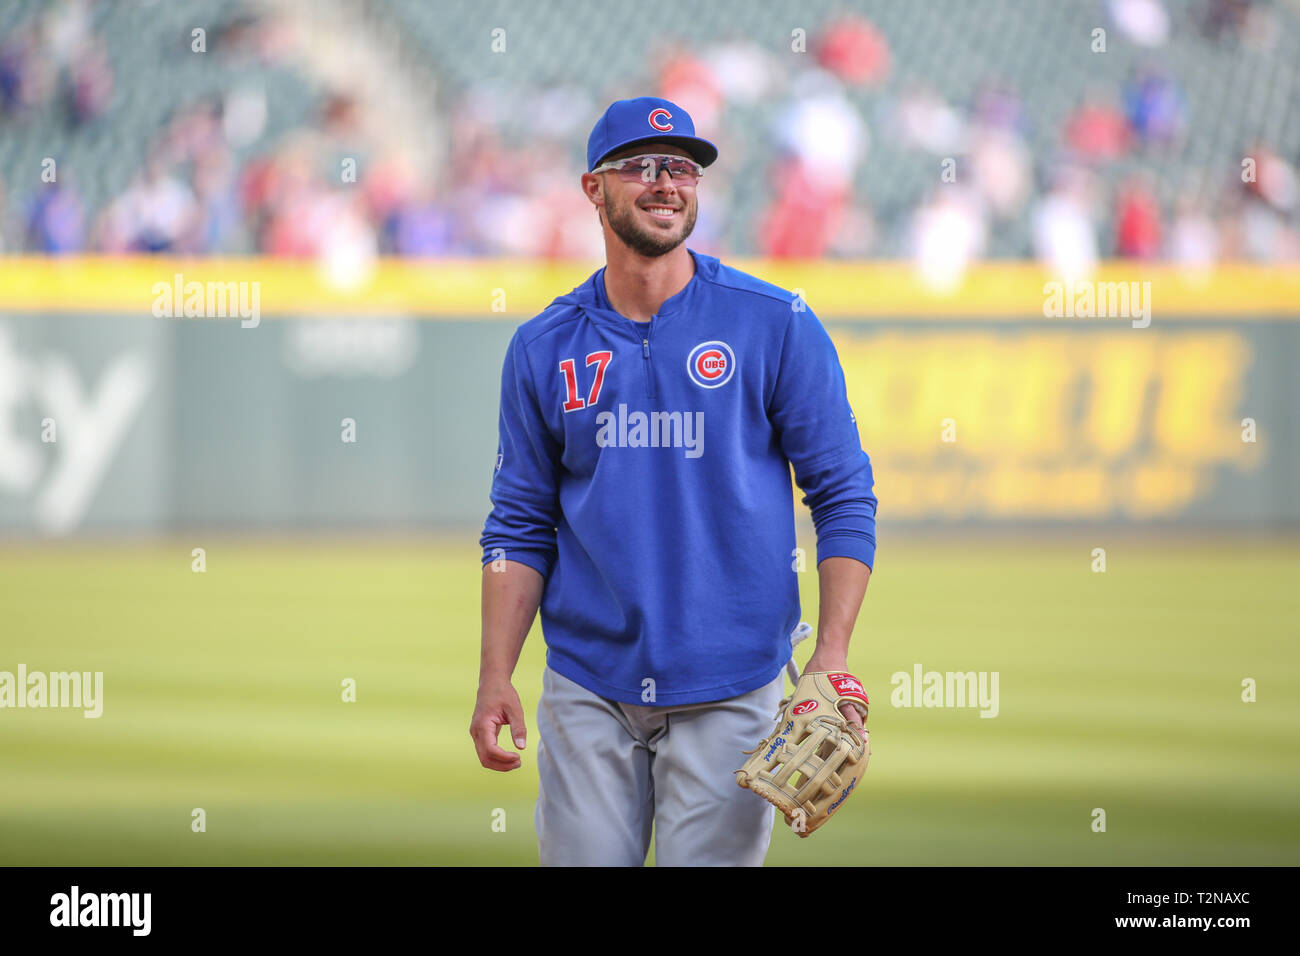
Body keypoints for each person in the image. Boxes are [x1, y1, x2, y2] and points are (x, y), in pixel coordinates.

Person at [472, 96, 878, 866]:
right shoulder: (542, 346)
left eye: (684, 168)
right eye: (643, 166)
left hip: (732, 684)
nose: (667, 183)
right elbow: (517, 523)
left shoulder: (774, 321)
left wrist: (831, 654)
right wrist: (496, 675)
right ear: (594, 188)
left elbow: (843, 492)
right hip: (589, 684)